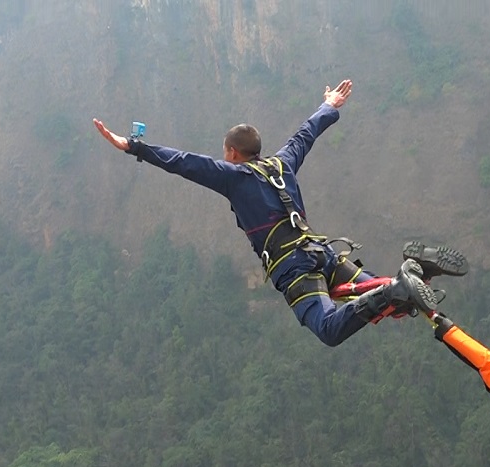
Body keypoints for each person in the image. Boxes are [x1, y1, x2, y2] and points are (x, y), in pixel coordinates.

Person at [92, 79, 466, 347]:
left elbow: (184, 163)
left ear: (233, 152)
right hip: (324, 253)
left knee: (330, 330)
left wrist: (132, 146)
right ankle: (416, 275)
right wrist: (329, 105)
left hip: (295, 267)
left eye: (225, 152)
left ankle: (400, 284)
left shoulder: (234, 176)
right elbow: (305, 134)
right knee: (392, 302)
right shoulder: (282, 163)